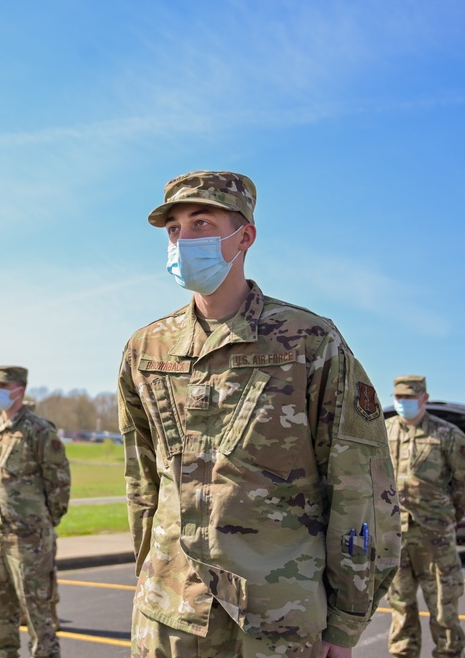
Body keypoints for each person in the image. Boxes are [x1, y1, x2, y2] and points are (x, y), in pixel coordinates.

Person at [118, 171, 402, 658]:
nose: (184, 240)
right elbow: (143, 482)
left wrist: (347, 621)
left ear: (244, 235)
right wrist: (148, 577)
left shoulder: (309, 341)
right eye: (174, 230)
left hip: (277, 622)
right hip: (168, 617)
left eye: (202, 223)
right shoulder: (146, 348)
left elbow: (361, 486)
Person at [385, 375, 465, 658]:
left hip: (435, 538)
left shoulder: (446, 434)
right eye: (399, 398)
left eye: (410, 398)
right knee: (400, 608)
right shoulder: (383, 431)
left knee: (444, 607)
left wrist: (449, 516)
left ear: (424, 398)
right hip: (395, 535)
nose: (404, 403)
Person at [0, 365, 71, 658]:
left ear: (19, 390)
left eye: (4, 387)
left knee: (37, 611)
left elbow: (59, 482)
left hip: (30, 539)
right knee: (0, 606)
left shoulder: (39, 431)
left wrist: (43, 523)